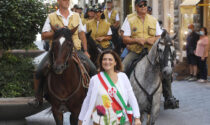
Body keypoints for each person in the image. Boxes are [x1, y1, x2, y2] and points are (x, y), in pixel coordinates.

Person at [29, 0, 97, 107]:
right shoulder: (51, 16)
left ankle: (94, 98)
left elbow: (82, 34)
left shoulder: (76, 16)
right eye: (65, 0)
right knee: (39, 70)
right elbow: (43, 35)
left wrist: (85, 50)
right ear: (59, 1)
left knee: (93, 69)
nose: (67, 2)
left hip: (75, 50)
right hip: (56, 52)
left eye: (68, 0)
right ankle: (38, 98)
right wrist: (59, 32)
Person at [121, 0, 179, 109]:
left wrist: (150, 39)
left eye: (145, 5)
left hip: (151, 52)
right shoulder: (129, 19)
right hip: (135, 51)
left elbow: (160, 36)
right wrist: (137, 40)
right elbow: (125, 39)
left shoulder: (153, 20)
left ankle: (169, 97)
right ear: (136, 7)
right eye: (140, 5)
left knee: (165, 69)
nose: (143, 7)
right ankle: (121, 96)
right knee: (122, 68)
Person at [78, 50, 141, 125]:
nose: (107, 62)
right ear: (101, 62)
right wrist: (81, 119)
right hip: (100, 120)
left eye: (110, 59)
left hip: (120, 120)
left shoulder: (123, 77)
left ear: (115, 62)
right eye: (104, 59)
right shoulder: (95, 79)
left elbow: (132, 97)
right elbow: (87, 101)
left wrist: (137, 117)